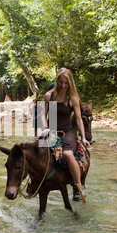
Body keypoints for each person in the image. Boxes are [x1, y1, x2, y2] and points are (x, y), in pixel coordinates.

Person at [43, 68, 90, 202]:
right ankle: (32, 183)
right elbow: (42, 114)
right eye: (61, 82)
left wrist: (84, 137)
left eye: (66, 83)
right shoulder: (48, 96)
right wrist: (45, 128)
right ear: (57, 81)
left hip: (66, 132)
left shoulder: (73, 98)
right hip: (50, 131)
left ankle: (78, 185)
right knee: (35, 152)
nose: (63, 85)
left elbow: (79, 119)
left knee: (68, 154)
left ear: (70, 83)